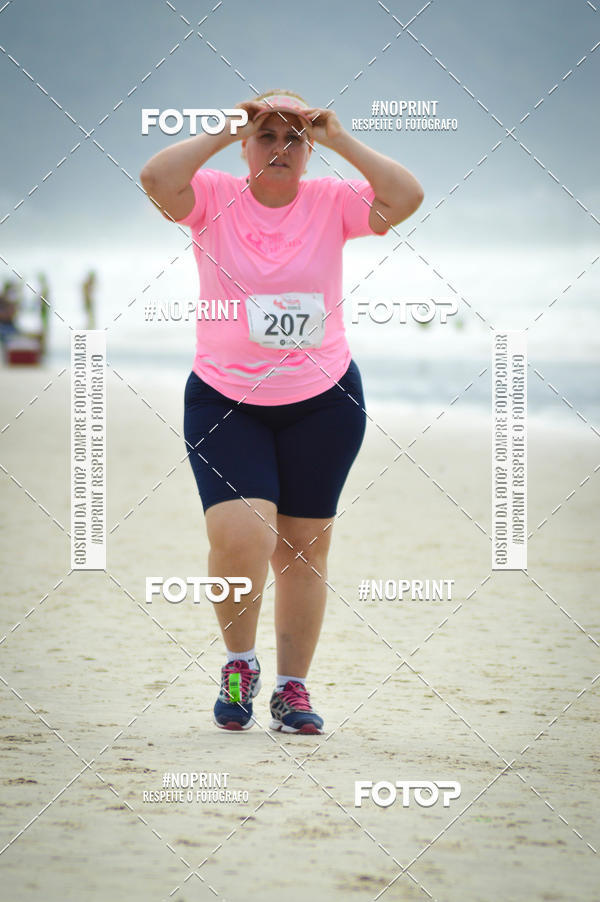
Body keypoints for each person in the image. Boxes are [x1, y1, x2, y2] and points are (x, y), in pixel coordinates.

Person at [140, 90, 423, 734]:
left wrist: (341, 140)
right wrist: (224, 128)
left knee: (302, 550)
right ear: (245, 145)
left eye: (294, 139)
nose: (280, 149)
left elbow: (405, 198)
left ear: (309, 150)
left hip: (323, 403)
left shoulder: (331, 202)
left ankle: (293, 689)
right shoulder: (211, 196)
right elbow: (156, 180)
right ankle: (239, 665)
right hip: (224, 398)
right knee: (243, 536)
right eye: (266, 137)